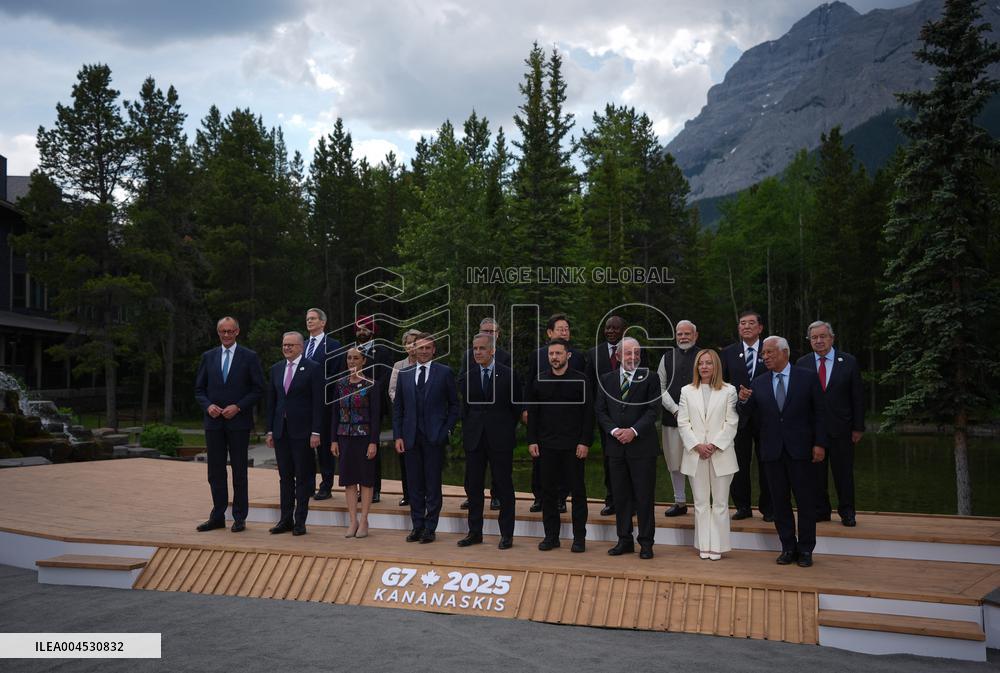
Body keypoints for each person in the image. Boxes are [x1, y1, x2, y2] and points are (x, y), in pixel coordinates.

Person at [738, 336, 828, 567]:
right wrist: (743, 400)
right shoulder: (759, 382)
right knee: (779, 503)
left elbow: (820, 413)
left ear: (785, 352)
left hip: (802, 451)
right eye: (763, 353)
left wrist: (820, 444)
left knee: (806, 502)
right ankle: (788, 547)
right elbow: (747, 412)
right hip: (772, 452)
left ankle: (806, 550)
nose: (765, 357)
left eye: (770, 352)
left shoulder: (807, 377)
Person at [194, 316, 265, 533]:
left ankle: (239, 517)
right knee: (215, 472)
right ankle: (217, 516)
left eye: (230, 331)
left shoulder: (249, 357)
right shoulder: (208, 357)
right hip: (214, 423)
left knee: (239, 471)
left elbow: (258, 389)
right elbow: (199, 390)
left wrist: (239, 406)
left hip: (238, 423)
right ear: (218, 333)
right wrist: (208, 406)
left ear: (237, 332)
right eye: (223, 331)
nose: (226, 335)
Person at [594, 337, 661, 560]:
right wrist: (614, 431)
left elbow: (653, 410)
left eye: (637, 353)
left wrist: (633, 431)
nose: (633, 357)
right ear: (618, 356)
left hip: (642, 447)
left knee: (644, 497)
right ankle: (624, 540)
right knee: (621, 497)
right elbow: (600, 410)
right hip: (616, 448)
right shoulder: (606, 379)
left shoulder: (651, 377)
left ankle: (646, 543)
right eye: (628, 353)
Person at [526, 338, 593, 553]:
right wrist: (532, 440)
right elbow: (533, 413)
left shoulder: (581, 380)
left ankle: (579, 538)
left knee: (578, 493)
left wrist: (585, 441)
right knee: (548, 493)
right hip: (546, 446)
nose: (554, 357)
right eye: (551, 354)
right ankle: (551, 537)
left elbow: (588, 414)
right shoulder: (540, 380)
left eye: (558, 353)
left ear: (568, 355)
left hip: (574, 447)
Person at [392, 332, 459, 544]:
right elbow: (398, 409)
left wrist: (446, 430)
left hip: (434, 437)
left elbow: (455, 406)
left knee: (433, 485)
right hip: (410, 438)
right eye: (420, 347)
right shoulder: (404, 374)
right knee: (414, 485)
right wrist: (398, 436)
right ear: (414, 349)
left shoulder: (444, 372)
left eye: (427, 348)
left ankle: (430, 528)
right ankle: (417, 526)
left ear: (434, 350)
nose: (423, 351)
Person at [796, 321, 864, 527]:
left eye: (823, 336)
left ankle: (847, 512)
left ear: (832, 338)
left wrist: (858, 427)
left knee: (844, 474)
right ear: (809, 341)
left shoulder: (849, 361)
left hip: (842, 429)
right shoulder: (802, 363)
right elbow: (799, 399)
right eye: (814, 337)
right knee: (816, 475)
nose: (819, 341)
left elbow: (857, 397)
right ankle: (821, 511)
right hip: (813, 431)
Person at [457, 332, 522, 550]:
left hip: (500, 439)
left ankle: (507, 534)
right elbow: (466, 410)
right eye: (474, 349)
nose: (477, 352)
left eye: (482, 348)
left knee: (504, 487)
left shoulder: (509, 375)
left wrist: (503, 428)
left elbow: (516, 408)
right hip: (474, 439)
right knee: (474, 487)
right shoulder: (467, 377)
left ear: (492, 350)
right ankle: (475, 532)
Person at [677, 349, 739, 561]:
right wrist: (697, 445)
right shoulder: (687, 391)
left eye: (709, 363)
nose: (704, 366)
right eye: (701, 363)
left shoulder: (729, 391)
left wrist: (713, 445)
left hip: (721, 454)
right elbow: (683, 422)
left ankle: (718, 546)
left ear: (716, 366)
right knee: (701, 503)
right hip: (696, 454)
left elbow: (731, 422)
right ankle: (704, 545)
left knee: (720, 503)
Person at [525, 313, 586, 513]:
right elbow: (529, 384)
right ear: (550, 332)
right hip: (542, 419)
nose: (564, 332)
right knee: (540, 461)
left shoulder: (577, 357)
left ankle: (561, 497)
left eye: (567, 329)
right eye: (560, 329)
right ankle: (539, 497)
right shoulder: (537, 355)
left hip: (568, 423)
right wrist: (526, 409)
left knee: (567, 467)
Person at [265, 332, 324, 536]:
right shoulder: (276, 369)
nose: (287, 348)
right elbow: (272, 403)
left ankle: (300, 521)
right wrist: (270, 430)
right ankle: (285, 520)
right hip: (281, 432)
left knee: (303, 477)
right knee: (285, 477)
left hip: (303, 432)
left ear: (301, 347)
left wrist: (316, 431)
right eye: (284, 345)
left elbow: (318, 403)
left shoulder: (313, 368)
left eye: (291, 345)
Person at [721, 310, 772, 521]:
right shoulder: (728, 352)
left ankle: (769, 507)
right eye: (742, 323)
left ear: (760, 328)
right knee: (738, 463)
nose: (746, 326)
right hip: (738, 416)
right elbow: (722, 384)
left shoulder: (769, 349)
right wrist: (737, 396)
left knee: (767, 463)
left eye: (751, 323)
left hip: (766, 417)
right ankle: (742, 506)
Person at [458, 317, 510, 512]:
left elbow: (511, 391)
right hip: (474, 419)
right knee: (473, 467)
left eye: (491, 331)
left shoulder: (505, 357)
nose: (488, 334)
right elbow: (461, 382)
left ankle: (497, 496)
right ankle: (471, 496)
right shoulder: (468, 355)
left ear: (498, 334)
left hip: (497, 421)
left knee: (499, 467)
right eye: (484, 331)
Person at [331, 347, 381, 539]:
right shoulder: (340, 384)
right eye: (349, 358)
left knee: (366, 480)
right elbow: (334, 414)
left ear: (364, 361)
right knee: (349, 480)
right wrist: (333, 440)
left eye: (356, 358)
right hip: (344, 437)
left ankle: (364, 519)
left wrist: (373, 442)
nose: (352, 361)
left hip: (364, 437)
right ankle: (353, 520)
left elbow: (376, 416)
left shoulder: (372, 384)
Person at [657, 319, 700, 518]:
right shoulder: (667, 357)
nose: (683, 337)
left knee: (698, 463)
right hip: (672, 418)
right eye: (679, 334)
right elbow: (660, 387)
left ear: (695, 335)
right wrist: (675, 410)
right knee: (674, 461)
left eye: (687, 334)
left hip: (699, 420)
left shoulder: (704, 356)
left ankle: (700, 502)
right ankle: (680, 501)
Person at [585, 315, 626, 517]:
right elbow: (590, 386)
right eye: (608, 328)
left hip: (630, 418)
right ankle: (612, 500)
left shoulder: (634, 352)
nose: (610, 331)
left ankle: (632, 501)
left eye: (615, 328)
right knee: (609, 460)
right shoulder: (593, 354)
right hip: (605, 419)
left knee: (632, 461)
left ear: (623, 330)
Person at [303, 308, 343, 501]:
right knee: (305, 448)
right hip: (303, 406)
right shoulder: (302, 345)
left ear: (323, 322)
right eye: (307, 319)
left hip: (324, 404)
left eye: (313, 318)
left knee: (324, 447)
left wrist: (315, 387)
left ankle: (326, 486)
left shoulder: (334, 345)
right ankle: (307, 485)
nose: (309, 322)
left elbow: (335, 375)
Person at [356, 315, 395, 503]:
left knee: (372, 448)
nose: (361, 331)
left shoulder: (382, 351)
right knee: (355, 450)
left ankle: (374, 488)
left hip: (373, 406)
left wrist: (369, 391)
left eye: (365, 328)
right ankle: (358, 488)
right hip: (353, 408)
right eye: (359, 328)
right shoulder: (351, 351)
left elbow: (386, 377)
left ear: (372, 331)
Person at [388, 328, 423, 507]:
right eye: (409, 343)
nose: (412, 346)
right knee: (405, 458)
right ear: (404, 346)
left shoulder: (427, 364)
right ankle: (407, 494)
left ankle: (424, 494)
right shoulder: (398, 366)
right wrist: (406, 403)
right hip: (405, 418)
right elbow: (392, 390)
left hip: (423, 418)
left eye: (415, 342)